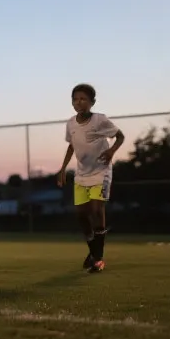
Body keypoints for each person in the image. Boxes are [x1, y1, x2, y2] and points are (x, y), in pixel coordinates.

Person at [57, 83, 124, 273]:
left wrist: (111, 151)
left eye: (83, 99)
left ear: (92, 102)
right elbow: (72, 146)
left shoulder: (100, 120)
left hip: (101, 171)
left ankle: (98, 258)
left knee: (96, 208)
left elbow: (120, 136)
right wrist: (62, 168)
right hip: (81, 175)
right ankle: (93, 252)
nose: (79, 102)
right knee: (81, 215)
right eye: (76, 99)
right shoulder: (71, 123)